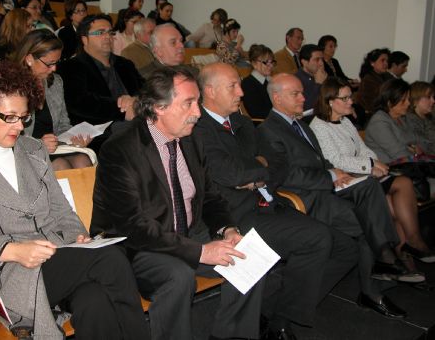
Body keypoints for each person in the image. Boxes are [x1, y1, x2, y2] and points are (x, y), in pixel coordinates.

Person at [0, 62, 150, 340]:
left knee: (95, 301)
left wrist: (76, 236)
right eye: (10, 117)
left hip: (59, 259)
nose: (20, 127)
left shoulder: (33, 150)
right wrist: (9, 250)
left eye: (24, 117)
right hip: (13, 274)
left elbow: (61, 209)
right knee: (110, 259)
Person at [91, 65, 263, 340]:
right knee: (178, 277)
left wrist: (227, 230)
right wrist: (200, 252)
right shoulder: (121, 148)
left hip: (187, 232)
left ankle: (230, 334)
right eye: (188, 104)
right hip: (137, 246)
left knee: (248, 258)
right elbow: (133, 225)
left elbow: (209, 196)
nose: (197, 112)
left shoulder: (191, 139)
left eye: (198, 102)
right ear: (159, 107)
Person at [193, 63, 357, 338]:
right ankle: (280, 320)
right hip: (237, 215)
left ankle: (278, 312)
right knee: (317, 239)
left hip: (271, 203)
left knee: (346, 249)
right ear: (209, 91)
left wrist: (256, 173)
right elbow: (230, 173)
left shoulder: (244, 123)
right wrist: (258, 167)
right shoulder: (199, 128)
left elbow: (280, 164)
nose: (241, 92)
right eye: (233, 86)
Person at [259, 73, 415, 319]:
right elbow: (285, 176)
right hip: (304, 198)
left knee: (369, 190)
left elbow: (319, 161)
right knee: (366, 219)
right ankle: (379, 272)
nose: (303, 97)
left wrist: (334, 172)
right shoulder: (269, 130)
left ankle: (381, 265)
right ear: (277, 97)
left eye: (302, 92)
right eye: (296, 94)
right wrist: (330, 177)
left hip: (323, 190)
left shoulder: (298, 123)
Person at [310, 77, 434, 265]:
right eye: (345, 99)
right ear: (330, 101)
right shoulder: (319, 127)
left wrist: (375, 162)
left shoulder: (344, 121)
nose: (351, 102)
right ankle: (406, 249)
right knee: (395, 202)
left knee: (403, 185)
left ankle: (404, 251)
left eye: (350, 97)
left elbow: (362, 148)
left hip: (361, 174)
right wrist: (369, 166)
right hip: (348, 181)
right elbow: (335, 160)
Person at [59, 14, 143, 150]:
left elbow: (145, 90)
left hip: (137, 119)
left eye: (110, 32)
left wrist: (135, 101)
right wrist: (121, 109)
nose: (107, 37)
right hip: (100, 131)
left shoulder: (125, 64)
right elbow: (79, 102)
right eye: (100, 32)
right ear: (84, 39)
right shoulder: (71, 67)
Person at [14, 29, 93, 169]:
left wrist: (73, 139)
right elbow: (6, 133)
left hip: (54, 147)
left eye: (57, 62)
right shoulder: (12, 87)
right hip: (25, 150)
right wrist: (39, 144)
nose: (54, 68)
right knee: (60, 165)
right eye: (49, 63)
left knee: (83, 160)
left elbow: (63, 123)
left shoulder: (55, 82)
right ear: (29, 59)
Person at [364, 79, 435, 201]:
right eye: (405, 99)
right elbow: (398, 154)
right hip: (391, 173)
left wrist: (413, 148)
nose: (409, 103)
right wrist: (414, 150)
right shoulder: (379, 121)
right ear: (390, 101)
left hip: (409, 170)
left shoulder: (402, 118)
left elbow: (422, 142)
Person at [241, 44, 275, 119]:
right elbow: (257, 113)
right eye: (266, 62)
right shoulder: (248, 84)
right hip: (264, 125)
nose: (271, 66)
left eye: (272, 62)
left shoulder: (272, 81)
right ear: (254, 64)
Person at [355, 48, 392, 115]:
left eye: (387, 61)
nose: (386, 63)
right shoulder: (368, 79)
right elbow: (371, 104)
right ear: (372, 63)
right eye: (382, 60)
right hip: (371, 115)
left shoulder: (388, 76)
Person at [294, 44, 327, 112]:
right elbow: (307, 107)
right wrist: (318, 84)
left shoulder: (322, 75)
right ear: (304, 62)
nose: (321, 63)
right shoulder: (296, 81)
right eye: (317, 60)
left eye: (322, 59)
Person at [405, 81, 435, 155]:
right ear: (415, 99)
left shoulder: (429, 116)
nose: (433, 101)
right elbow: (424, 147)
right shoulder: (410, 120)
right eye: (428, 97)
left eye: (433, 97)